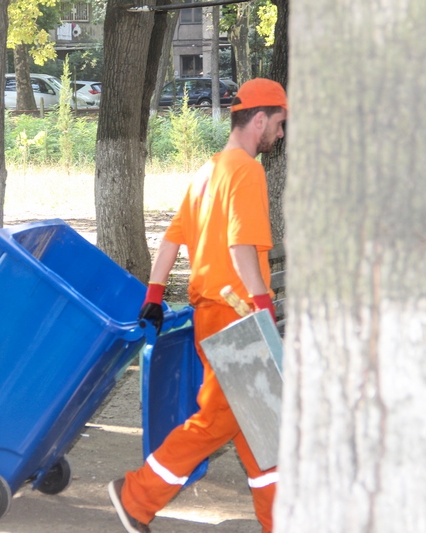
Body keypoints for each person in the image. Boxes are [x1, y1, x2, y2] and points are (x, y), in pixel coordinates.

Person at [108, 78, 287, 533]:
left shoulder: (207, 172)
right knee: (218, 422)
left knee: (263, 430)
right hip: (238, 317)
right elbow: (241, 247)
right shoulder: (247, 171)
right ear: (260, 119)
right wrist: (263, 309)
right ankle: (135, 496)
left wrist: (154, 295)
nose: (281, 134)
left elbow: (171, 240)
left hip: (212, 316)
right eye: (280, 123)